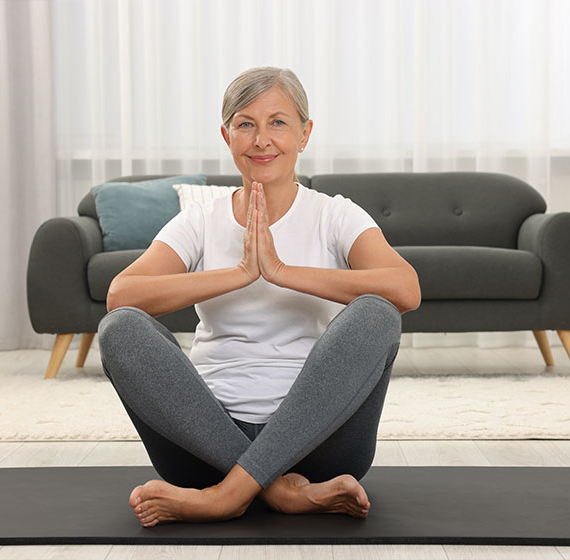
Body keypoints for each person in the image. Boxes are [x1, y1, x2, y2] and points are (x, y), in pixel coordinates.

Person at [98, 66, 421, 528]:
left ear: (305, 133)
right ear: (226, 135)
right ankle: (281, 492)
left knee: (377, 313)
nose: (261, 140)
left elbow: (405, 287)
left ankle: (225, 496)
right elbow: (121, 295)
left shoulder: (335, 215)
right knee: (120, 329)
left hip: (319, 445)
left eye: (278, 123)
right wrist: (239, 274)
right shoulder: (200, 221)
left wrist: (283, 273)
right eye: (245, 124)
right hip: (202, 446)